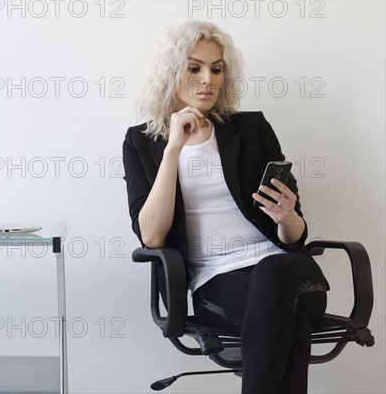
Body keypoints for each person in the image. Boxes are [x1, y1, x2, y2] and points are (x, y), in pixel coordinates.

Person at [122, 20, 329, 394]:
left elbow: (296, 236)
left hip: (289, 272)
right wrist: (173, 149)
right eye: (194, 67)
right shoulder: (141, 142)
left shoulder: (251, 128)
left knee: (273, 269)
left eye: (217, 69)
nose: (209, 79)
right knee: (292, 326)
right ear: (170, 72)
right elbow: (152, 235)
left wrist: (288, 218)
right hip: (217, 282)